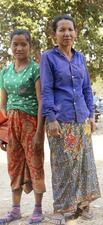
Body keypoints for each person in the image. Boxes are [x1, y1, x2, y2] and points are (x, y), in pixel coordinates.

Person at [40, 14, 101, 224]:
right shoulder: (48, 57)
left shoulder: (80, 58)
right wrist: (50, 118)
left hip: (82, 119)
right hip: (60, 120)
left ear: (75, 33)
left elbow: (86, 89)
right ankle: (61, 208)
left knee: (85, 163)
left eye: (70, 30)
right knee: (62, 166)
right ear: (54, 34)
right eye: (62, 30)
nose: (66, 34)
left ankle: (84, 205)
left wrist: (91, 115)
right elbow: (47, 90)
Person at [0, 29, 45, 225]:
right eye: (15, 44)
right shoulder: (4, 71)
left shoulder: (36, 69)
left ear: (30, 46)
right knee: (14, 165)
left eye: (23, 44)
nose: (19, 48)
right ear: (10, 46)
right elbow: (2, 103)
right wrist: (1, 132)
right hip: (10, 123)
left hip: (31, 123)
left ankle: (37, 209)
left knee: (35, 163)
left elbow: (41, 100)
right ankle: (16, 210)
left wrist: (38, 133)